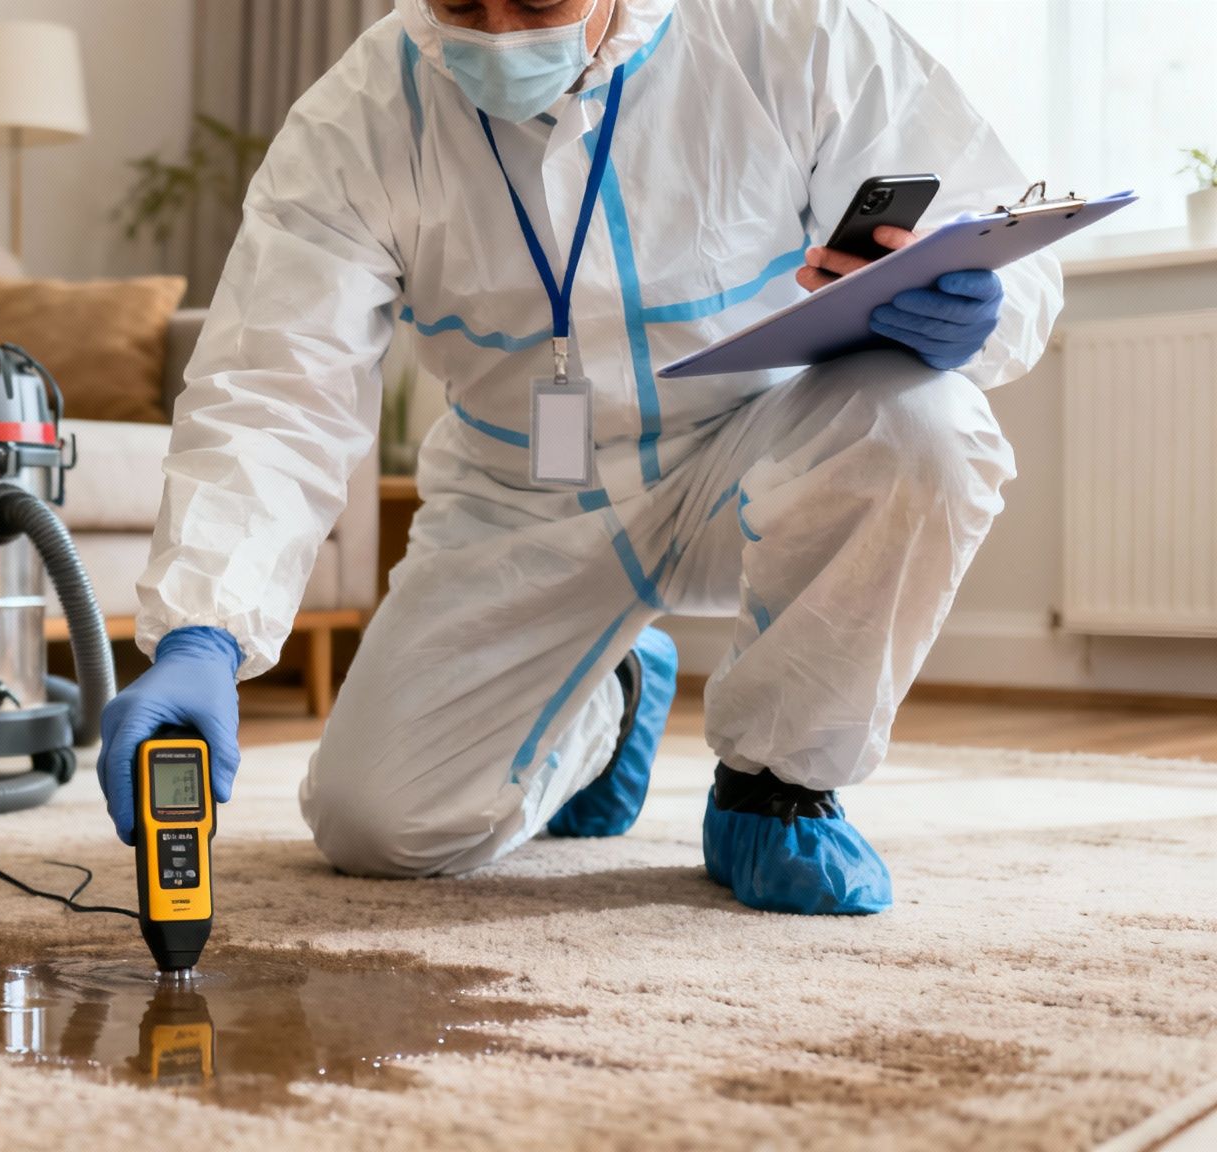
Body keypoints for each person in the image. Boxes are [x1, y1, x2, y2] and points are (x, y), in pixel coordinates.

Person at [98, 0, 1062, 915]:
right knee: (374, 828)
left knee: (926, 422)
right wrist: (204, 636)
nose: (502, 39)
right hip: (521, 495)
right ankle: (611, 704)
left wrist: (976, 303)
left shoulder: (786, 30)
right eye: (464, 8)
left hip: (760, 452)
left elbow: (999, 232)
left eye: (537, 2)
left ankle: (777, 787)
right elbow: (275, 387)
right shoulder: (356, 118)